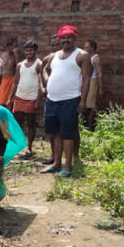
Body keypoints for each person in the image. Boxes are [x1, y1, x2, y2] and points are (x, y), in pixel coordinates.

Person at [41, 25, 92, 177]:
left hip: (70, 100)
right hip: (52, 100)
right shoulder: (53, 56)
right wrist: (47, 81)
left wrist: (83, 100)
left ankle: (67, 166)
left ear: (75, 38)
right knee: (55, 133)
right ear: (59, 38)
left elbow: (86, 78)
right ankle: (57, 163)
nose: (66, 40)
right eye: (63, 37)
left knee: (68, 134)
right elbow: (43, 68)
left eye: (69, 37)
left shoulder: (81, 55)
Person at [7, 39, 43, 157]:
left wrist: (38, 100)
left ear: (35, 51)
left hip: (32, 98)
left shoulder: (39, 64)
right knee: (17, 124)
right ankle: (18, 147)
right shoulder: (19, 65)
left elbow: (41, 83)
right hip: (19, 97)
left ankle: (30, 147)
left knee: (31, 124)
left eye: (30, 50)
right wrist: (10, 98)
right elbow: (16, 83)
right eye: (26, 51)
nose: (28, 53)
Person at [40, 34, 60, 164]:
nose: (55, 47)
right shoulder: (48, 58)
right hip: (51, 97)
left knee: (66, 130)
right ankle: (54, 156)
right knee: (52, 130)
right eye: (52, 45)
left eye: (57, 45)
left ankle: (72, 157)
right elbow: (41, 71)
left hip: (66, 97)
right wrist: (43, 87)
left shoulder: (69, 58)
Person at [83, 39, 103, 131]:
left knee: (90, 106)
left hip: (93, 82)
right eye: (85, 47)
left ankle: (91, 128)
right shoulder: (86, 57)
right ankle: (84, 126)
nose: (85, 49)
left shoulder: (95, 58)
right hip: (85, 82)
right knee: (84, 105)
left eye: (87, 47)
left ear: (92, 48)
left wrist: (100, 89)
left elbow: (99, 74)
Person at [0, 37, 20, 106]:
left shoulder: (15, 55)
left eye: (13, 46)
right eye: (9, 46)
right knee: (0, 101)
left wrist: (16, 56)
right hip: (3, 80)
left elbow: (18, 67)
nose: (11, 48)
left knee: (9, 102)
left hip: (11, 80)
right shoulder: (2, 55)